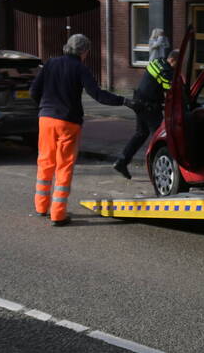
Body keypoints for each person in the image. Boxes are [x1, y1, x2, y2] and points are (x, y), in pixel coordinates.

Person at [30, 33, 134, 226]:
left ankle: (41, 206)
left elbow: (34, 91)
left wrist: (44, 107)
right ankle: (58, 214)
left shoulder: (50, 64)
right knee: (64, 166)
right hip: (68, 122)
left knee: (45, 162)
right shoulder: (80, 68)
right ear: (84, 52)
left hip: (46, 119)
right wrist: (124, 100)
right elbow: (98, 95)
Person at [114, 50, 176, 179]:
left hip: (139, 102)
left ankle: (122, 161)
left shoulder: (157, 62)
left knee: (141, 133)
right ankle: (160, 170)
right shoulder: (166, 70)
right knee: (160, 136)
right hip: (149, 106)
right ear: (173, 60)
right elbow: (170, 88)